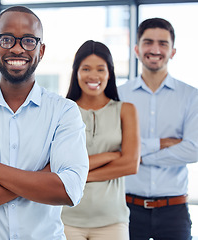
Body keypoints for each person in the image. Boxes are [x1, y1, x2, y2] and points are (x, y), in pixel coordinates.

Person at [0, 6, 89, 240]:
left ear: (41, 50)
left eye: (29, 41)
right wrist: (40, 177)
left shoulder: (64, 112)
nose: (18, 48)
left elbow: (68, 190)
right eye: (7, 39)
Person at [118, 17, 198, 240]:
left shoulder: (191, 96)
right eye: (148, 42)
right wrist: (161, 143)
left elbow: (193, 150)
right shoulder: (120, 96)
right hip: (126, 208)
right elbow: (115, 145)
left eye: (163, 43)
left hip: (174, 210)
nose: (155, 49)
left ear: (173, 51)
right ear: (137, 49)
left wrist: (136, 157)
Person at [61, 40, 140, 240]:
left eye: (100, 69)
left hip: (112, 221)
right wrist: (110, 156)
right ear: (76, 72)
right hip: (66, 219)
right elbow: (56, 166)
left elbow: (130, 164)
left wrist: (79, 176)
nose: (93, 75)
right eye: (86, 68)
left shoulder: (126, 110)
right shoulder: (62, 111)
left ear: (109, 73)